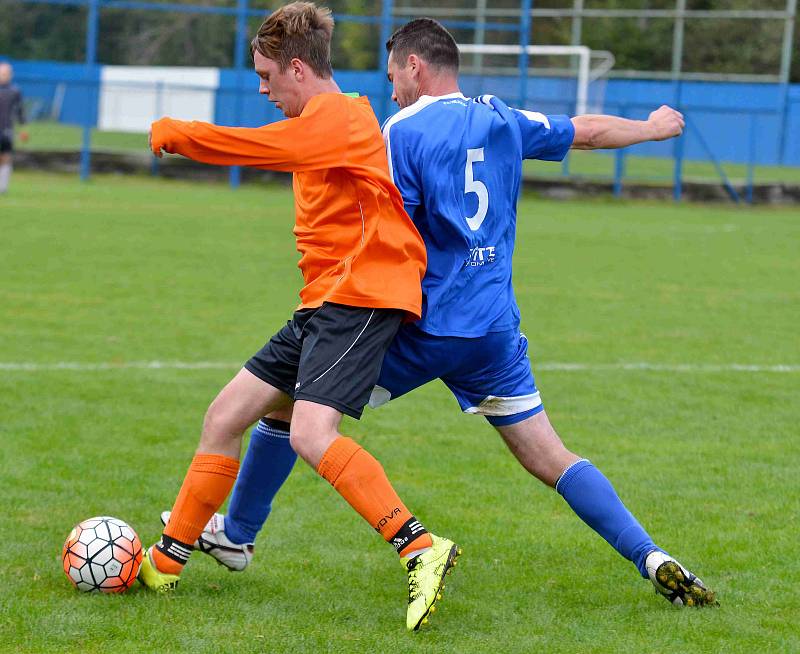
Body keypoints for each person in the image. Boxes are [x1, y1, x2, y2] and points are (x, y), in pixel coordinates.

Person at [171, 17, 718, 609]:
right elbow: (585, 132)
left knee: (293, 401)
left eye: (394, 78)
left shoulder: (399, 131)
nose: (393, 92)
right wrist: (651, 127)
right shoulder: (503, 118)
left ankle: (239, 535)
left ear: (415, 67)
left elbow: (378, 213)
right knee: (549, 455)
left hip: (424, 325)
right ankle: (650, 554)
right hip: (495, 330)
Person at [138, 3, 461, 632]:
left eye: (266, 77)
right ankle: (167, 561)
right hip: (324, 301)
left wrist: (181, 134)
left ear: (296, 68)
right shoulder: (322, 120)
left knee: (313, 434)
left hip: (363, 296)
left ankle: (422, 549)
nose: (263, 91)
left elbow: (261, 149)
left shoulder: (340, 116)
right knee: (226, 414)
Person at [0, 62, 28, 195]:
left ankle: (3, 187)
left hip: (7, 129)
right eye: (2, 73)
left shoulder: (15, 91)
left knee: (6, 156)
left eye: (6, 73)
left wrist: (23, 128)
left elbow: (20, 111)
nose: (4, 76)